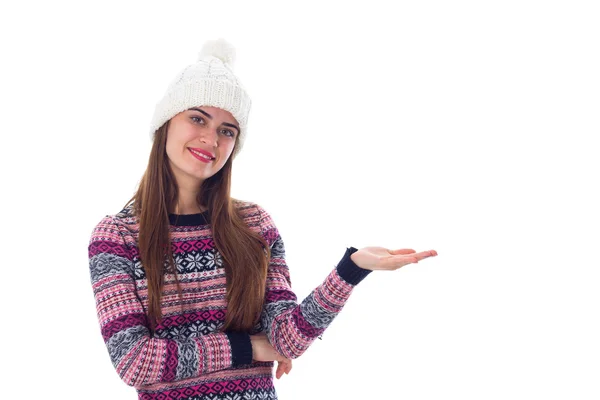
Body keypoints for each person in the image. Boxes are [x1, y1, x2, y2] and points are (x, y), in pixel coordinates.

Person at [87, 38, 438, 400]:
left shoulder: (253, 225)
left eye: (228, 130)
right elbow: (135, 362)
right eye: (197, 118)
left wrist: (350, 270)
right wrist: (249, 348)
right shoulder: (117, 237)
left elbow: (287, 338)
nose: (211, 139)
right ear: (165, 124)